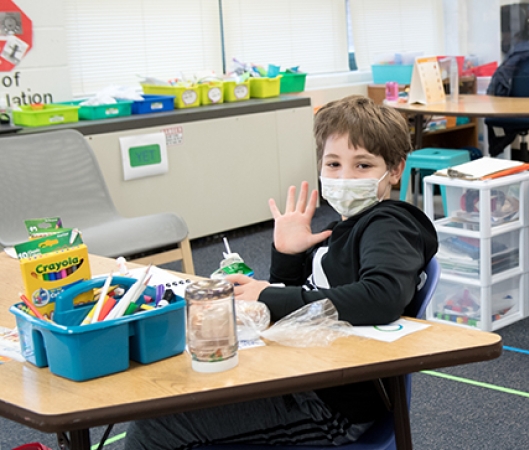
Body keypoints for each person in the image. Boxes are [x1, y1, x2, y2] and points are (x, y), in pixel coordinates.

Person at [123, 95, 439, 449]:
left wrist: (265, 294)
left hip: (333, 409)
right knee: (180, 395)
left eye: (362, 166)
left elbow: (381, 298)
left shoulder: (389, 224)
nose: (345, 176)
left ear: (395, 169)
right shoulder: (346, 228)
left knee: (154, 428)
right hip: (308, 377)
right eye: (333, 164)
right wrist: (289, 255)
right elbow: (304, 311)